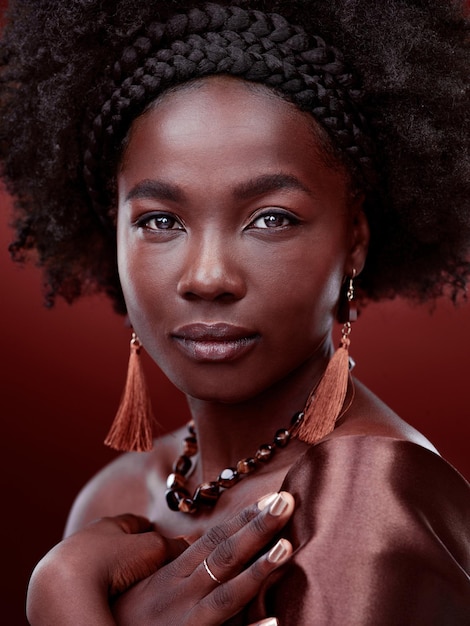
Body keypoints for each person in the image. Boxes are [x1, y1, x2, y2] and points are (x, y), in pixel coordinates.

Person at [1, 0, 469, 623]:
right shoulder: (113, 497)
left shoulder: (369, 502)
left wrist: (62, 605)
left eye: (271, 219)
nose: (207, 277)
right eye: (160, 221)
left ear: (353, 239)